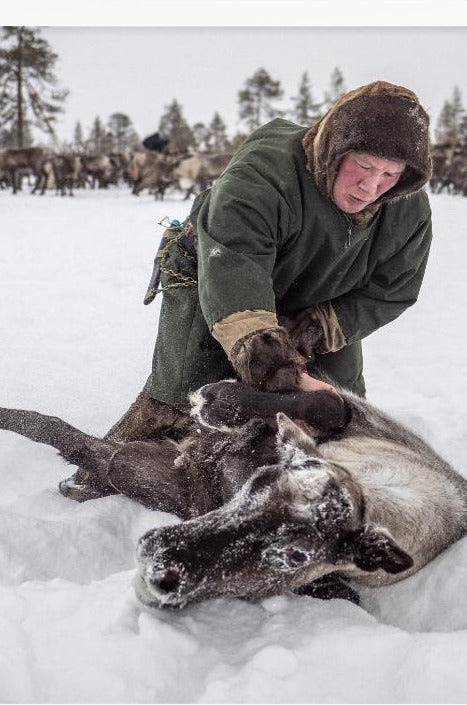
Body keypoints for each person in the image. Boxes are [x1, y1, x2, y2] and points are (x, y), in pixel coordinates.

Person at [61, 79, 433, 500]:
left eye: (390, 173)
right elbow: (235, 262)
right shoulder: (264, 175)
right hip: (215, 271)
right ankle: (99, 472)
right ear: (335, 149)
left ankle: (324, 488)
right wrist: (277, 369)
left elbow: (393, 288)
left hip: (317, 301)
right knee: (186, 389)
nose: (372, 186)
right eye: (363, 166)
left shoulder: (407, 210)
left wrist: (318, 328)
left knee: (338, 408)